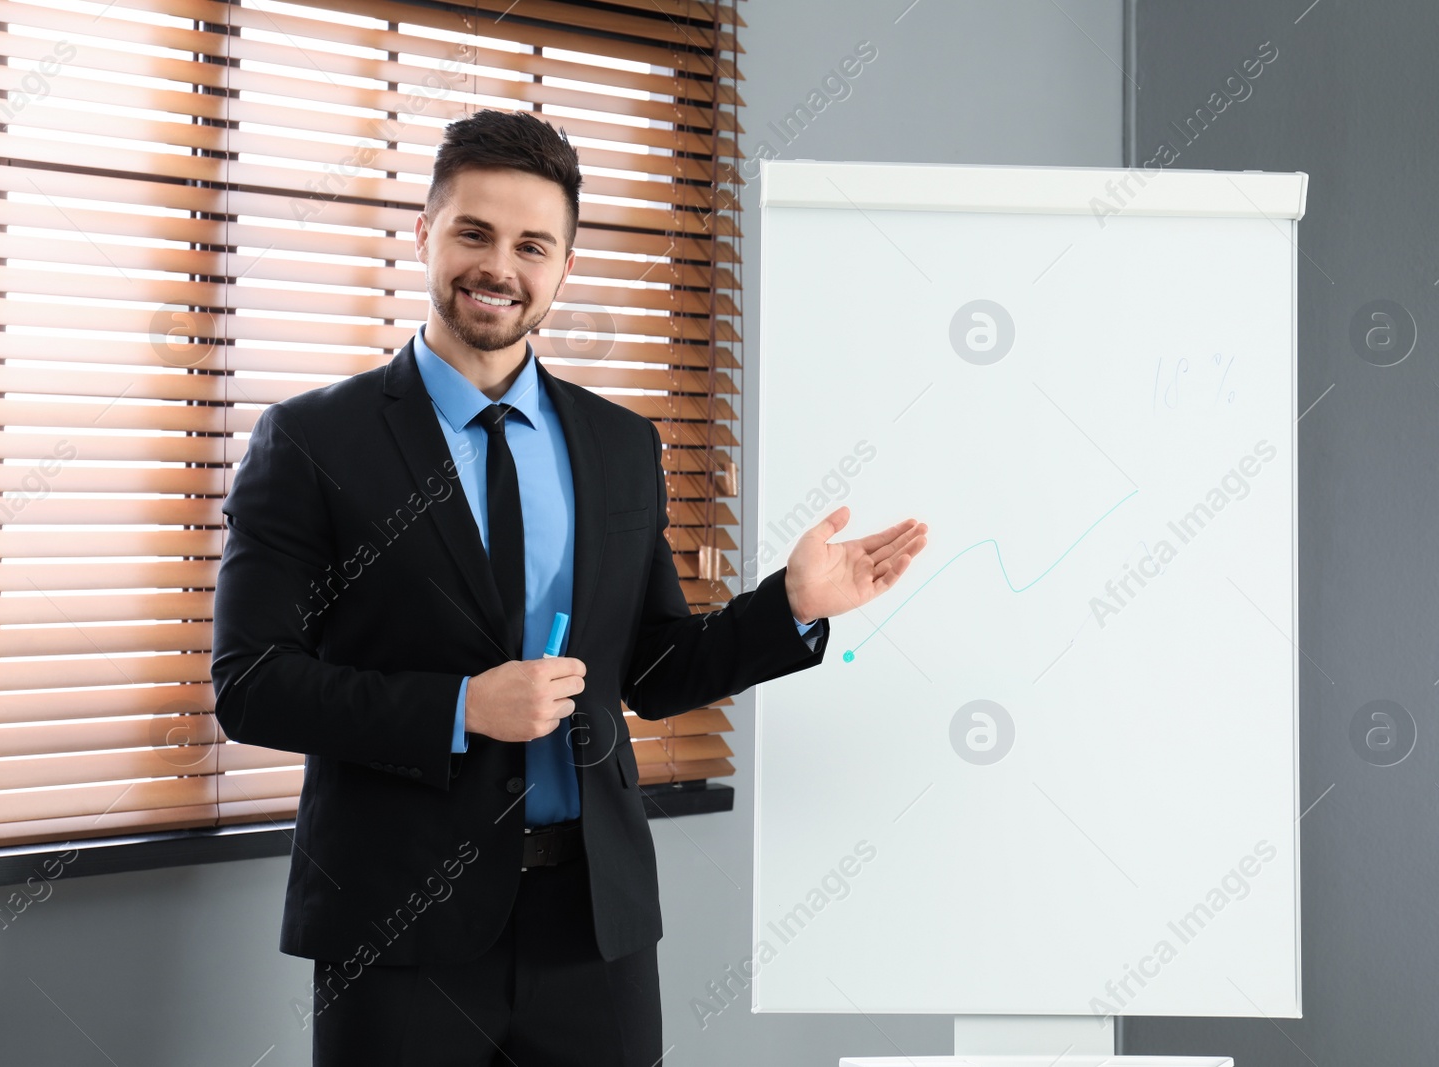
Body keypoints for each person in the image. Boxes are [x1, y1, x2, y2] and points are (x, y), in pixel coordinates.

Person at [210, 107, 928, 1066]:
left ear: (563, 268)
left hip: (595, 925)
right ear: (424, 233)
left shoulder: (620, 445)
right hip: (398, 930)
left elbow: (655, 668)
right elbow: (251, 682)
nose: (497, 266)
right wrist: (464, 707)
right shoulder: (309, 441)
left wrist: (788, 608)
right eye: (473, 232)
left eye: (531, 245)